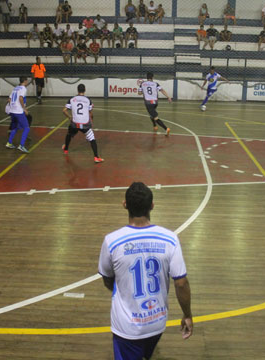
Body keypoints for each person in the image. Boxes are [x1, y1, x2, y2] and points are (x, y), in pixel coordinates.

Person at [98, 182, 193, 360]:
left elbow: (107, 279)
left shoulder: (111, 241)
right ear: (152, 206)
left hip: (127, 327)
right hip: (156, 323)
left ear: (124, 205)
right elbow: (181, 283)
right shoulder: (170, 239)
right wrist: (187, 315)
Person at [62, 84, 104, 163]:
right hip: (84, 124)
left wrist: (70, 117)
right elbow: (90, 113)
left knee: (69, 134)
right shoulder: (88, 100)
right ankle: (96, 157)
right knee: (92, 139)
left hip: (74, 123)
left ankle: (66, 149)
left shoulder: (72, 99)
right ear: (84, 90)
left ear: (77, 90)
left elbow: (64, 110)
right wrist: (92, 121)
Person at [5, 77, 31, 153]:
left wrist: (12, 107)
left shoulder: (15, 88)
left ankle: (9, 143)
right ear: (25, 81)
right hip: (18, 111)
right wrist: (24, 109)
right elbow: (20, 98)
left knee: (15, 127)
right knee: (26, 128)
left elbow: (9, 99)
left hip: (12, 111)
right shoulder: (23, 88)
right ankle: (21, 146)